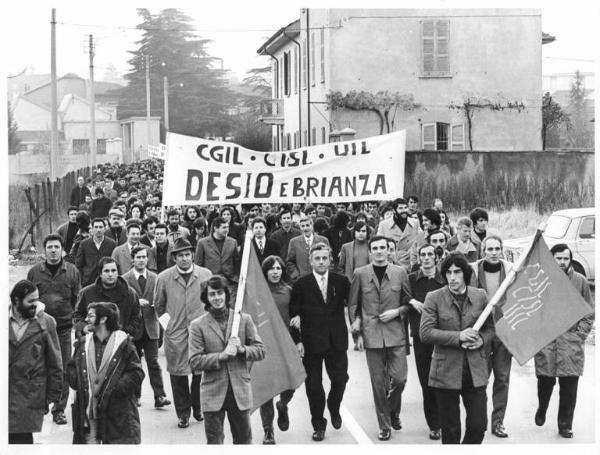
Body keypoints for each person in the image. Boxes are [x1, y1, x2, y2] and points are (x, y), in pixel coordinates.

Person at [420, 252, 494, 444]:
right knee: (451, 430)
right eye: (448, 273)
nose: (452, 277)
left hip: (475, 371)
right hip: (446, 373)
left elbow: (490, 329)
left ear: (465, 274)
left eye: (457, 272)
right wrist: (459, 337)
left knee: (479, 426)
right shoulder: (434, 298)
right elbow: (425, 333)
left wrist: (482, 341)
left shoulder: (480, 296)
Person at [189, 275, 266, 444]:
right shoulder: (197, 325)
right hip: (212, 392)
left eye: (219, 293)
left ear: (226, 294)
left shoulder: (243, 319)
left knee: (244, 442)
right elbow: (194, 361)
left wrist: (242, 349)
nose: (217, 298)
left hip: (239, 390)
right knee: (215, 443)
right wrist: (221, 356)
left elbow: (260, 351)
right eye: (212, 294)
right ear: (206, 298)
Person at [348, 235, 411, 441]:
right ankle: (384, 425)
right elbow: (354, 306)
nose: (379, 251)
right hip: (371, 334)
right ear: (370, 251)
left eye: (382, 247)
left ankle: (392, 410)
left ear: (389, 250)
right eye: (374, 248)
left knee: (399, 379)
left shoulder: (400, 272)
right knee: (378, 384)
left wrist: (397, 312)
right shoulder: (360, 273)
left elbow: (408, 302)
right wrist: (356, 334)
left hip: (396, 334)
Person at [289, 243, 351, 441]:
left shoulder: (341, 281)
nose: (322, 262)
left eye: (325, 258)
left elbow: (353, 304)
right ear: (311, 261)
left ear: (330, 260)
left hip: (336, 340)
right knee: (314, 386)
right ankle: (318, 424)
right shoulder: (301, 284)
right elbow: (294, 314)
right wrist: (298, 341)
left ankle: (334, 405)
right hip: (311, 342)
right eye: (317, 258)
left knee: (340, 379)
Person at [533, 243, 595, 439]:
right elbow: (532, 310)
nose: (561, 262)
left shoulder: (580, 281)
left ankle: (565, 424)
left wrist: (579, 335)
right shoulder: (540, 280)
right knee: (545, 381)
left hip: (570, 342)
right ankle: (542, 408)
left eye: (565, 258)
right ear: (551, 259)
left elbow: (588, 312)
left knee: (569, 386)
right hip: (547, 341)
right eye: (558, 258)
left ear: (570, 260)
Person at [154, 238, 212, 428]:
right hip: (176, 332)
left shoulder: (205, 275)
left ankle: (198, 407)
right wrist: (168, 326)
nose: (185, 259)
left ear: (193, 255)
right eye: (180, 256)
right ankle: (183, 413)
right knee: (178, 375)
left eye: (188, 255)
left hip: (199, 331)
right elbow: (159, 306)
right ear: (174, 258)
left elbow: (212, 301)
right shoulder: (163, 278)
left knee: (200, 372)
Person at [68, 302, 145, 444]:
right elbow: (72, 368)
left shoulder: (124, 344)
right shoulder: (83, 343)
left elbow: (136, 373)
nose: (86, 319)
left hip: (117, 413)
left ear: (103, 319)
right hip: (88, 414)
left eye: (90, 316)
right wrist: (78, 382)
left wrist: (114, 389)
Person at [26, 234, 81, 426]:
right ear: (44, 250)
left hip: (64, 330)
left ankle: (59, 409)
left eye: (57, 247)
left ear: (62, 250)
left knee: (62, 369)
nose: (53, 250)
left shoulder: (72, 271)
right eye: (49, 247)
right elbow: (28, 301)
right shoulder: (34, 272)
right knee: (38, 368)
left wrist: (72, 319)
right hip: (39, 329)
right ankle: (41, 405)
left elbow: (77, 300)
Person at [9, 280, 63, 444]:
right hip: (5, 394)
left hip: (30, 397)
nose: (36, 304)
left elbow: (56, 363)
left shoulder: (46, 322)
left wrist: (51, 398)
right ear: (16, 301)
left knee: (21, 442)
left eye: (37, 299)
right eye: (30, 301)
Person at [471, 235, 513, 438]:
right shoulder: (473, 270)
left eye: (497, 248)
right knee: (481, 379)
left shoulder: (512, 270)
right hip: (482, 332)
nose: (494, 253)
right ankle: (479, 421)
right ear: (483, 251)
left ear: (502, 250)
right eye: (490, 249)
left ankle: (498, 422)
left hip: (504, 331)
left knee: (502, 378)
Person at [122, 246, 171, 408]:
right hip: (133, 328)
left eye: (144, 257)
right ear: (132, 259)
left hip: (151, 326)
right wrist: (136, 302)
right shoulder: (125, 279)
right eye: (138, 257)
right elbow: (121, 303)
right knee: (134, 364)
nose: (142, 260)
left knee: (153, 363)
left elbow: (163, 300)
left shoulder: (156, 278)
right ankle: (135, 395)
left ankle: (160, 396)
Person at [407, 243, 445, 440]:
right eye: (423, 254)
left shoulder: (444, 278)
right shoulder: (412, 279)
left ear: (436, 257)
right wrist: (411, 301)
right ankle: (434, 424)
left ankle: (445, 418)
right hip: (421, 336)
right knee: (426, 381)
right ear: (419, 258)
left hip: (443, 336)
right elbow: (400, 293)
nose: (427, 257)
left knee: (443, 381)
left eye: (431, 254)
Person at [259, 256, 295, 444]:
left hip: (286, 345)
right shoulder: (257, 292)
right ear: (265, 271)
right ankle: (268, 430)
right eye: (271, 269)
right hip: (264, 346)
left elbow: (297, 314)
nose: (275, 272)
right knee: (266, 391)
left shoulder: (289, 291)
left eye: (278, 268)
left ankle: (283, 404)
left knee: (290, 384)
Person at [73, 256, 142, 339]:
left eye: (113, 271)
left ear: (118, 272)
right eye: (106, 271)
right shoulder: (86, 293)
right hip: (93, 340)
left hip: (121, 341)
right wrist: (84, 327)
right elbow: (77, 314)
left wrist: (129, 332)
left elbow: (136, 316)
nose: (110, 274)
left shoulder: (130, 293)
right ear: (100, 273)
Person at [195, 216, 240, 294]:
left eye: (227, 227)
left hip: (230, 281)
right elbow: (198, 265)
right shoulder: (202, 243)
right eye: (224, 227)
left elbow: (236, 263)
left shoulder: (233, 242)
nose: (227, 230)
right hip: (210, 281)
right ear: (215, 228)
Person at [376, 197, 420, 270]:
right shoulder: (383, 225)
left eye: (405, 207)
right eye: (401, 208)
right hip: (391, 266)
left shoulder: (415, 223)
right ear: (394, 210)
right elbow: (379, 246)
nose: (404, 210)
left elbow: (419, 244)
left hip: (410, 266)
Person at [286, 215, 330, 283]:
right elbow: (290, 262)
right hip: (301, 280)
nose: (305, 228)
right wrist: (296, 275)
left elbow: (329, 259)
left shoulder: (323, 240)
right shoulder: (294, 242)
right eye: (302, 226)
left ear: (312, 226)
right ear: (300, 227)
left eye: (307, 225)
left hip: (320, 279)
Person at [76, 217, 117, 286]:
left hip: (107, 280)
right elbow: (78, 264)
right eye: (96, 227)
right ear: (91, 229)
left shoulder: (112, 244)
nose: (98, 230)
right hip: (88, 281)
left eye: (101, 227)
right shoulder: (84, 244)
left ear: (105, 229)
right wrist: (81, 280)